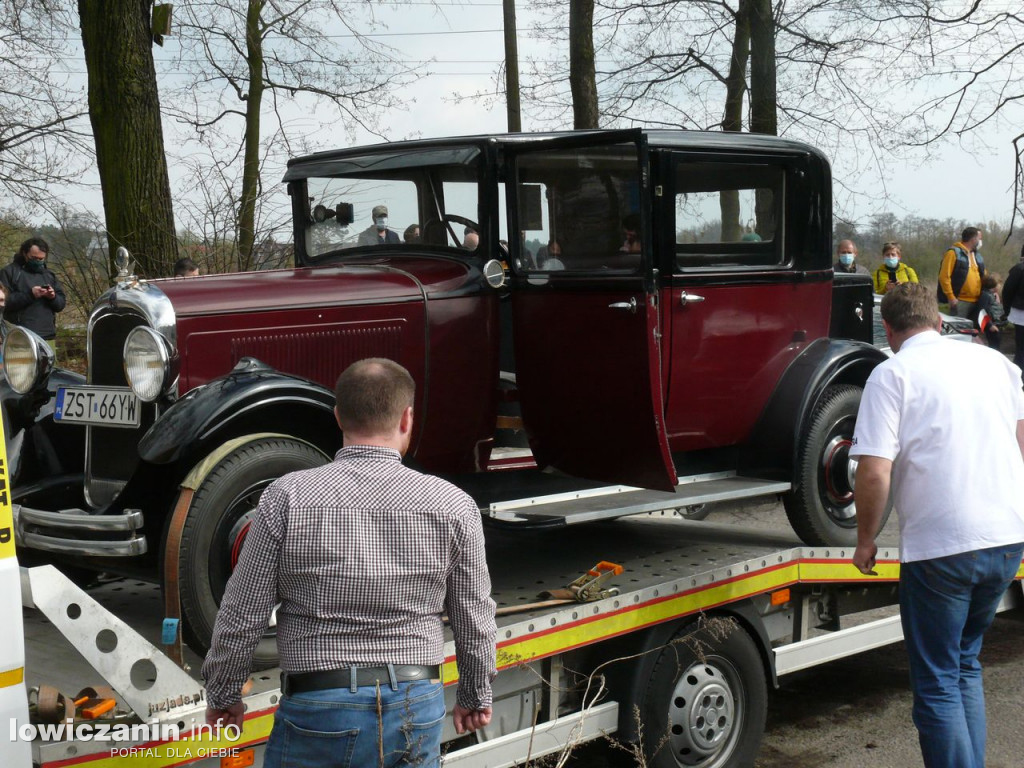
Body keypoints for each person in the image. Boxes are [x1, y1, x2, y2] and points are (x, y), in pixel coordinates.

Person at [203, 358, 496, 767]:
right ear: (407, 418)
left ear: (338, 416)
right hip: (416, 702)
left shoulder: (287, 496)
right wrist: (475, 695)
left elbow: (242, 611)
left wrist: (224, 693)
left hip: (319, 704)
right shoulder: (453, 505)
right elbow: (474, 616)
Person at [851, 282, 1024, 768]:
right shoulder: (996, 363)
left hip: (943, 547)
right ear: (938, 319)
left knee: (936, 681)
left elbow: (874, 469)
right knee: (965, 664)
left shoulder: (892, 374)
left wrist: (865, 540)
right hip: (1007, 538)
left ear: (888, 328)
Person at [0, 237, 66, 354]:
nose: (38, 261)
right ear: (25, 254)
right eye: (34, 258)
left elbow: (60, 305)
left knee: (49, 372)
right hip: (20, 337)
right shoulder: (10, 272)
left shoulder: (49, 275)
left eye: (41, 259)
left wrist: (52, 297)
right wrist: (30, 295)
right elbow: (4, 303)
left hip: (47, 337)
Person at [938, 226, 985, 317]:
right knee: (959, 328)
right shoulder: (953, 253)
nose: (980, 241)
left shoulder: (977, 255)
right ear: (973, 239)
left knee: (974, 330)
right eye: (979, 238)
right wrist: (951, 297)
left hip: (977, 301)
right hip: (960, 301)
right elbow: (944, 277)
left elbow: (983, 275)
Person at [1001, 243, 1024, 376]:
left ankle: (1018, 378)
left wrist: (1007, 310)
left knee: (1021, 349)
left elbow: (1007, 292)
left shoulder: (1018, 269)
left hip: (1020, 314)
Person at [970, 272, 1003, 349]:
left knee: (996, 342)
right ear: (995, 284)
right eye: (999, 284)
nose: (1000, 286)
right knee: (994, 344)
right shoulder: (986, 295)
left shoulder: (992, 294)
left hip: (995, 323)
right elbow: (982, 311)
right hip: (991, 325)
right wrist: (989, 325)